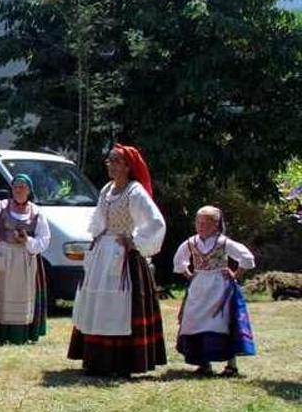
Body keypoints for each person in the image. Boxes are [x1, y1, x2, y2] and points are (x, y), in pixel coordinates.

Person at [68, 144, 167, 376]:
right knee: (97, 304)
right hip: (103, 252)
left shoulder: (135, 192)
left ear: (127, 166)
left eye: (115, 161)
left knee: (121, 306)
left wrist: (134, 240)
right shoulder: (107, 190)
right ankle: (97, 360)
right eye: (109, 161)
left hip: (124, 256)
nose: (110, 165)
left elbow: (155, 223)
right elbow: (99, 219)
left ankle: (124, 362)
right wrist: (97, 236)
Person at [173, 205, 257, 376]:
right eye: (198, 222)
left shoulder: (223, 242)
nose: (200, 226)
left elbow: (247, 257)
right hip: (198, 287)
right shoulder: (191, 242)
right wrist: (190, 275)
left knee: (222, 322)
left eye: (205, 222)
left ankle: (231, 365)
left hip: (220, 286)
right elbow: (179, 260)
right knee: (195, 321)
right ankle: (204, 363)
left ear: (216, 224)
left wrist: (235, 274)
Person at [0, 174, 50, 344]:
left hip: (25, 259)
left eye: (23, 186)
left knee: (22, 295)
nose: (18, 189)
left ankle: (20, 333)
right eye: (16, 185)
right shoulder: (0, 206)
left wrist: (28, 241)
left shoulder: (37, 212)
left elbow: (44, 239)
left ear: (29, 190)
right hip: (2, 257)